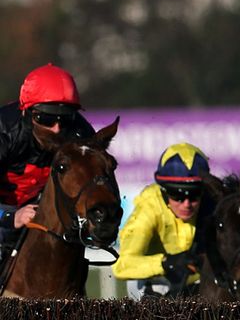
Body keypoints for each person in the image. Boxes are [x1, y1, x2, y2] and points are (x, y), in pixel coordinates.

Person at [0, 63, 95, 248]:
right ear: (27, 113)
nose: (56, 129)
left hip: (38, 207)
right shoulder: (4, 131)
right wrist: (10, 217)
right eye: (46, 119)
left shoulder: (81, 134)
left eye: (65, 119)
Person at [112, 143, 214, 298]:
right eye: (177, 195)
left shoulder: (213, 202)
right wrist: (166, 263)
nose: (186, 204)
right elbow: (122, 267)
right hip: (156, 280)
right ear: (164, 192)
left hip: (197, 281)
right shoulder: (149, 206)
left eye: (194, 195)